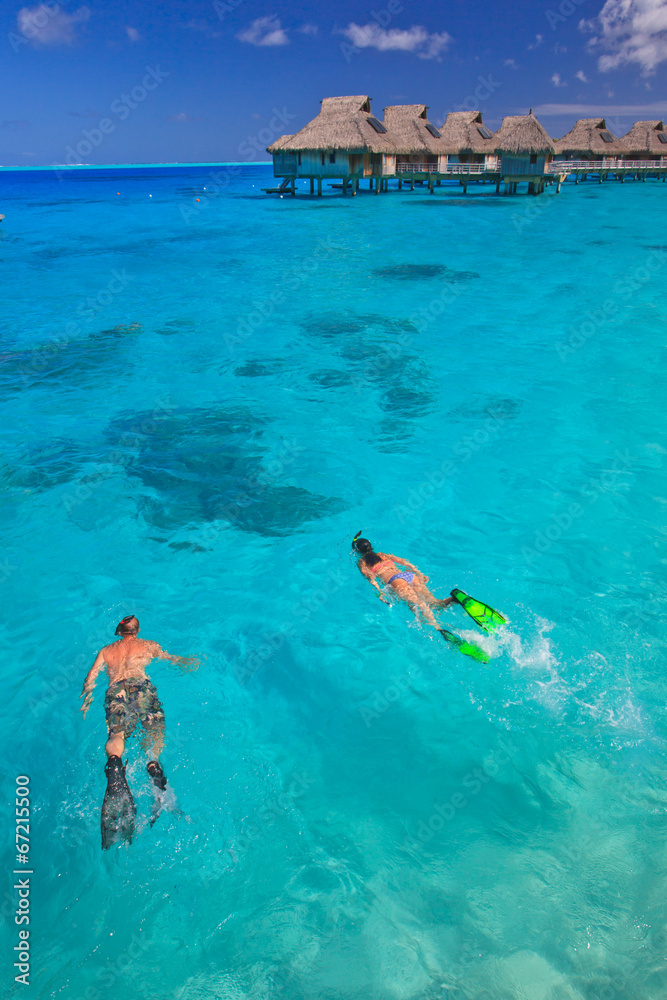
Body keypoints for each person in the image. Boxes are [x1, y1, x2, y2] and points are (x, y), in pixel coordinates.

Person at [80, 614, 199, 849]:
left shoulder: (106, 651)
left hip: (116, 691)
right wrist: (186, 661)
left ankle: (115, 764)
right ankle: (153, 764)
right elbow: (169, 658)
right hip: (141, 687)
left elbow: (91, 678)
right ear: (138, 630)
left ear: (118, 632)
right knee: (154, 732)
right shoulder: (148, 645)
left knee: (116, 736)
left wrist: (86, 700)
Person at [352, 534, 455, 631]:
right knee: (432, 601)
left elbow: (372, 580)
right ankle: (450, 600)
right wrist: (419, 573)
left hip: (396, 581)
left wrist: (380, 592)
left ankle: (438, 628)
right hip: (409, 575)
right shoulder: (382, 555)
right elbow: (405, 562)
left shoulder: (362, 563)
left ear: (358, 550)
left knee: (419, 604)